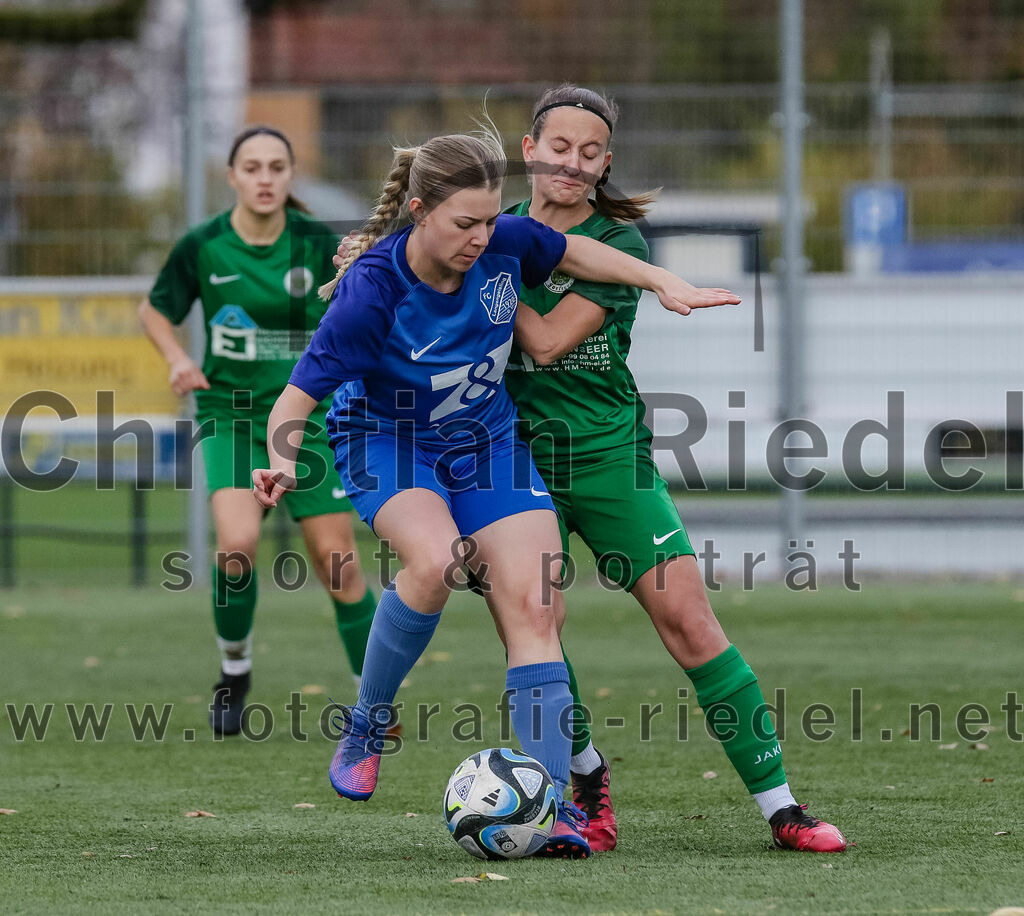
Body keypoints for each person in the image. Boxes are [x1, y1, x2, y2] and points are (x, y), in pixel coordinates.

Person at [253, 121, 739, 859]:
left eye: (490, 219)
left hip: (485, 440)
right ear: (418, 211)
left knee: (538, 603)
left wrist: (661, 279)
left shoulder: (506, 242)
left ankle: (543, 811)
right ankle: (368, 721)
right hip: (390, 440)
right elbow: (295, 400)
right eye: (464, 223)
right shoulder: (372, 289)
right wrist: (281, 458)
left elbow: (575, 249)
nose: (483, 238)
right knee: (436, 560)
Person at [502, 84, 847, 853]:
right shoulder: (483, 232)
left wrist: (478, 268)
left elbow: (549, 342)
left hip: (606, 456)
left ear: (607, 161)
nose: (575, 164)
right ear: (528, 150)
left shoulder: (619, 246)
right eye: (560, 147)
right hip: (511, 461)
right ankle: (583, 781)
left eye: (592, 153)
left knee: (690, 622)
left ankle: (781, 807)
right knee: (536, 626)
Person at [140, 126, 377, 736]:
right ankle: (234, 670)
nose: (265, 177)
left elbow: (358, 308)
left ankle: (373, 701)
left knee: (337, 560)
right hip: (233, 415)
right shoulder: (204, 245)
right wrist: (176, 358)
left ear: (291, 175)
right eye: (253, 167)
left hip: (309, 417)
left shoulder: (314, 242)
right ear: (233, 177)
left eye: (277, 166)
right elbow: (155, 309)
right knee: (237, 546)